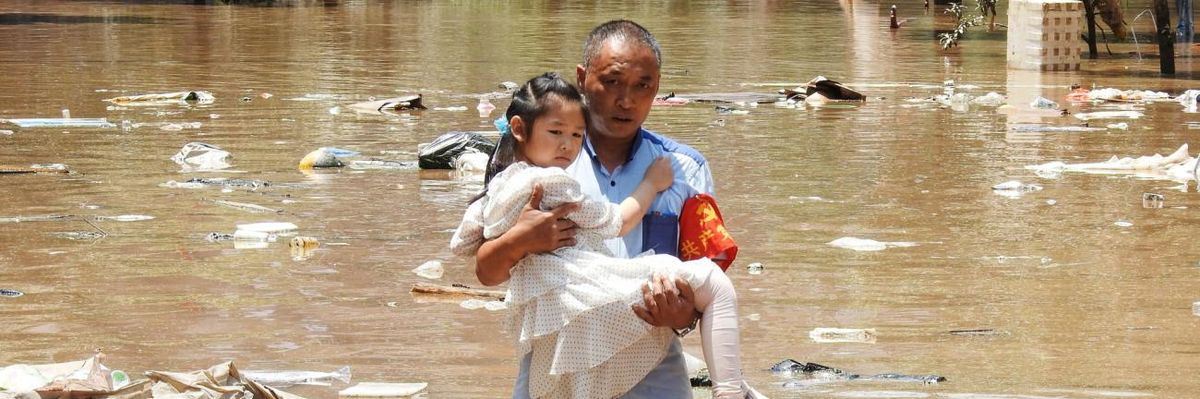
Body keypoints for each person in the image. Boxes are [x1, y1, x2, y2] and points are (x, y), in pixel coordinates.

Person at [451, 72, 755, 399]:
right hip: (595, 309)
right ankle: (731, 392)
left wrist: (683, 315)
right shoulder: (557, 178)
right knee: (713, 283)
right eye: (612, 82)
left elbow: (462, 242)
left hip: (595, 329)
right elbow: (615, 221)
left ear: (657, 86)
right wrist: (520, 240)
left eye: (642, 84)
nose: (626, 99)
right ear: (584, 79)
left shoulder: (688, 166)